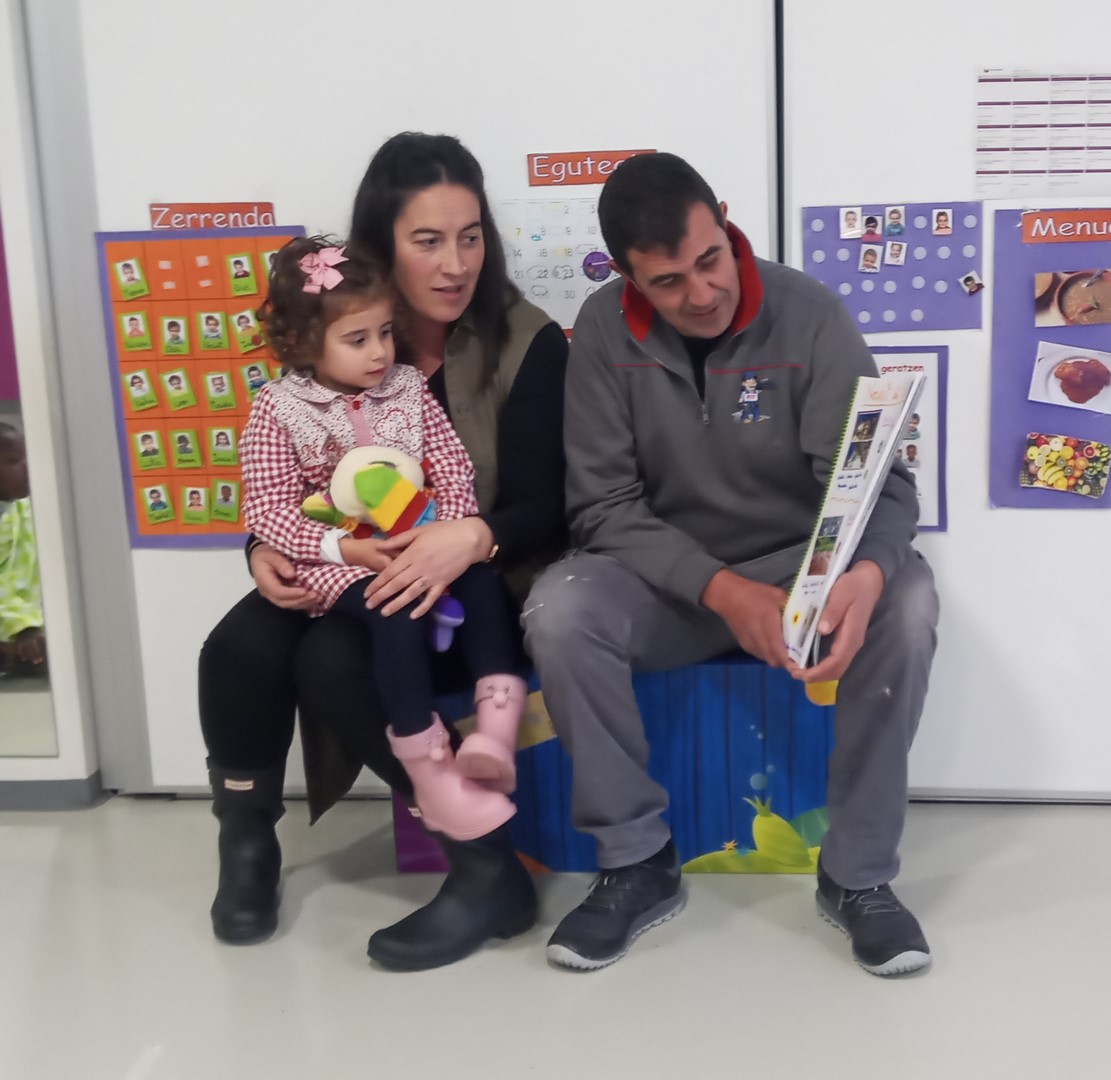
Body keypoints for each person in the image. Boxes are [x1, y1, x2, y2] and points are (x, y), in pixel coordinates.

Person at [523, 153, 938, 978]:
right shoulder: (602, 329)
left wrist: (863, 575)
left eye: (710, 259)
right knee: (560, 608)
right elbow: (602, 507)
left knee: (910, 598)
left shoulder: (809, 314)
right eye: (668, 282)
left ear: (722, 217)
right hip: (668, 585)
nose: (702, 292)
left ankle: (858, 875)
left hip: (802, 581)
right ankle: (637, 862)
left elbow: (881, 484)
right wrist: (722, 590)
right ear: (628, 278)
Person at [197, 132, 567, 970]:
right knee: (238, 646)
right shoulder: (335, 339)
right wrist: (263, 545)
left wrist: (467, 536)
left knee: (333, 662)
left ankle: (486, 869)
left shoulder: (526, 341)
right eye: (428, 240)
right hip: (351, 564)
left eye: (470, 236)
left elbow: (548, 503)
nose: (455, 264)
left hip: (477, 578)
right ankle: (246, 841)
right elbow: (290, 484)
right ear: (382, 246)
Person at [241, 232, 533, 880]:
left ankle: (494, 732)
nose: (379, 352)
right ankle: (430, 773)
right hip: (340, 562)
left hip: (423, 538)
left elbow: (450, 466)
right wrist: (343, 547)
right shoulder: (278, 409)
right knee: (392, 613)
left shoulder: (408, 388)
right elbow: (267, 510)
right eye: (357, 339)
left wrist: (447, 534)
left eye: (384, 333)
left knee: (485, 586)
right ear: (303, 342)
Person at [0, 423, 44, 676]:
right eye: (14, 461)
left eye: (28, 457)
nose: (28, 468)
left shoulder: (28, 509)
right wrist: (24, 626)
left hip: (31, 638)